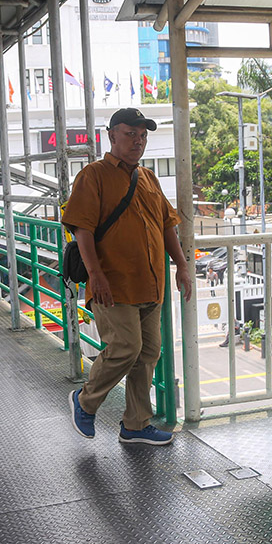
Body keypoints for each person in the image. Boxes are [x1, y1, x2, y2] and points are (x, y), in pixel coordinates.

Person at [62, 108, 193, 445]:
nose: (138, 141)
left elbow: (166, 225)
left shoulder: (148, 178)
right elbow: (82, 229)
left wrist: (181, 265)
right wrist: (96, 275)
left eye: (143, 135)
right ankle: (86, 400)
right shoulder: (93, 175)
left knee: (148, 353)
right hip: (113, 284)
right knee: (125, 347)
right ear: (111, 136)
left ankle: (135, 424)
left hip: (151, 282)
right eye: (130, 134)